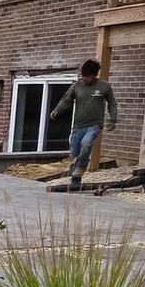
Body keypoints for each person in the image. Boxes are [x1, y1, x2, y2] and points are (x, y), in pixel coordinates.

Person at [50, 59, 117, 190]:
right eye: (83, 76)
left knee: (86, 144)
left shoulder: (104, 86)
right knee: (75, 153)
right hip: (78, 125)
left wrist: (112, 119)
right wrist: (57, 110)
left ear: (95, 74)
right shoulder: (77, 86)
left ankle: (78, 174)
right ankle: (76, 171)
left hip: (94, 124)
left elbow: (112, 103)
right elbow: (66, 100)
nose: (85, 78)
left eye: (87, 76)